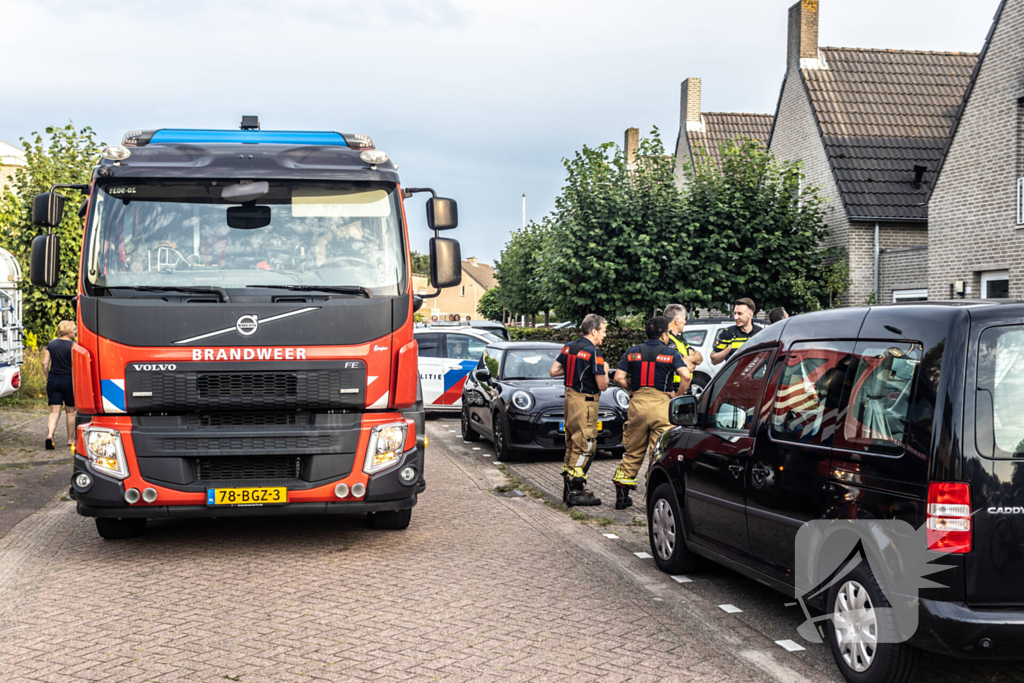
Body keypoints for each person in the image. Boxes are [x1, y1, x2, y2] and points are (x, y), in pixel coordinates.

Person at [611, 317, 691, 510]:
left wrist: (631, 389)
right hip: (661, 406)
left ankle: (622, 496)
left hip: (637, 405)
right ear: (664, 334)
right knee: (657, 453)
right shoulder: (670, 353)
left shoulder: (632, 352)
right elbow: (686, 376)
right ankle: (652, 495)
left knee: (633, 450)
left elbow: (618, 377)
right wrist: (677, 396)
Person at [549, 313, 609, 507]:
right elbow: (602, 385)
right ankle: (576, 488)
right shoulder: (594, 353)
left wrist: (574, 371)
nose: (604, 336)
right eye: (603, 331)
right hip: (586, 402)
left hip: (569, 398)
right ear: (593, 331)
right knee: (586, 445)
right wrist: (606, 371)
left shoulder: (568, 347)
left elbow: (554, 371)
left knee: (572, 443)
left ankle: (568, 488)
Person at [43, 321, 77, 450]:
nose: (74, 332)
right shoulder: (74, 346)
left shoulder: (51, 344)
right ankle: (70, 440)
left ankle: (50, 435)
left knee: (54, 411)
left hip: (54, 380)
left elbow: (44, 364)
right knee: (71, 411)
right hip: (70, 381)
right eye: (74, 330)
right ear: (68, 332)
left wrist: (48, 378)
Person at [711, 298, 764, 366]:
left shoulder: (760, 333)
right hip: (734, 375)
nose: (736, 317)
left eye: (739, 314)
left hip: (756, 376)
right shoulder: (728, 333)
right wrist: (729, 349)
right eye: (735, 313)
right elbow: (714, 360)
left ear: (750, 315)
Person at [662, 303, 703, 389]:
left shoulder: (679, 339)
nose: (685, 322)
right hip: (672, 387)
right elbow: (688, 367)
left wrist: (689, 359)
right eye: (684, 319)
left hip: (683, 386)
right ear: (677, 320)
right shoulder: (667, 340)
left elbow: (700, 358)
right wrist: (691, 359)